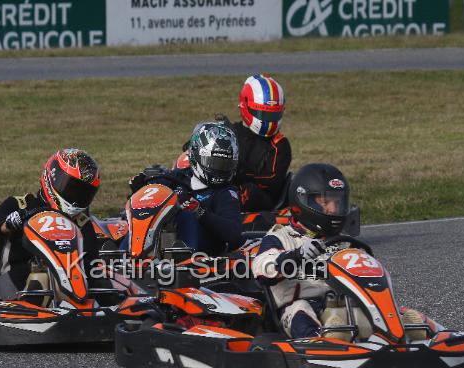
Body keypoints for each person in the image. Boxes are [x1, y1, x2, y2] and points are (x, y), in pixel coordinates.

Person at [252, 163, 355, 339]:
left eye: (337, 202)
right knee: (301, 310)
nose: (333, 209)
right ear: (303, 201)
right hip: (296, 309)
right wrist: (297, 256)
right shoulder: (281, 237)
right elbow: (262, 267)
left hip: (339, 305)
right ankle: (323, 343)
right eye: (325, 202)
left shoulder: (343, 243)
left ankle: (402, 333)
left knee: (372, 310)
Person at [0, 148, 102, 294]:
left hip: (69, 281)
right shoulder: (21, 205)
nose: (76, 197)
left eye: (83, 193)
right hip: (18, 279)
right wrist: (8, 224)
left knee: (102, 276)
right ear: (52, 177)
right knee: (41, 278)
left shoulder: (82, 222)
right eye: (72, 189)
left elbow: (92, 261)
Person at [130, 121, 243, 256]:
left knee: (187, 215)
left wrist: (199, 211)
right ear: (196, 155)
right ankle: (126, 254)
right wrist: (140, 190)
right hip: (157, 251)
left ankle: (182, 253)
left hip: (201, 259)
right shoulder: (176, 178)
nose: (220, 170)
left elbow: (234, 234)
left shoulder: (226, 193)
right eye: (214, 163)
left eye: (225, 165)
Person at [230, 74, 292, 212]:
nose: (267, 120)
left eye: (272, 115)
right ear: (245, 105)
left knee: (248, 191)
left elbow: (272, 182)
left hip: (261, 206)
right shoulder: (228, 133)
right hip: (223, 188)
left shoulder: (279, 144)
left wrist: (239, 173)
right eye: (263, 114)